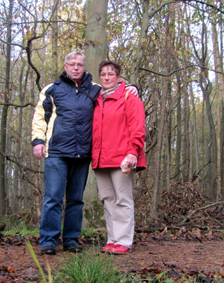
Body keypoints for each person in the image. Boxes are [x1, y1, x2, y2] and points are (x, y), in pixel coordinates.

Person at [31, 51, 138, 255]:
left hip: (82, 154)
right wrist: (38, 141)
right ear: (65, 66)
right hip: (56, 152)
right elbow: (40, 117)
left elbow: (114, 89)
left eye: (80, 64)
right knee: (53, 197)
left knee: (76, 200)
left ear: (84, 67)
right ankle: (48, 240)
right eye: (72, 64)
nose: (76, 68)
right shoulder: (52, 89)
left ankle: (71, 239)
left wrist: (133, 87)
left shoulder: (95, 90)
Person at [91, 60, 146, 255]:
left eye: (111, 74)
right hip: (100, 158)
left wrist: (133, 151)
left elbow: (137, 127)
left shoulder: (129, 97)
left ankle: (124, 241)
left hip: (123, 157)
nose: (107, 77)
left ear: (118, 77)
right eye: (103, 74)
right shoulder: (96, 99)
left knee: (123, 199)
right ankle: (113, 239)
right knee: (108, 199)